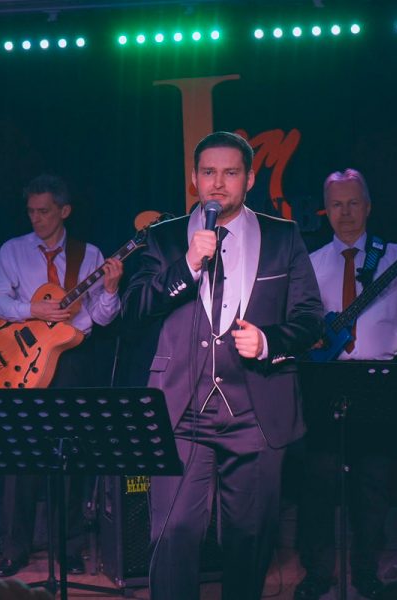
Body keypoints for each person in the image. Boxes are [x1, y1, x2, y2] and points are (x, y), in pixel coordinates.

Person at [121, 131, 324, 600]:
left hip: (256, 410)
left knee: (249, 540)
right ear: (194, 179)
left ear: (249, 179)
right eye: (208, 172)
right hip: (180, 411)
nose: (218, 182)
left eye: (230, 172)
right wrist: (188, 265)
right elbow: (133, 310)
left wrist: (269, 341)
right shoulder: (164, 237)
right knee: (173, 534)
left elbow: (310, 317)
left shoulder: (283, 235)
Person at [294, 169, 397, 600]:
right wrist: (308, 337)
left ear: (368, 207)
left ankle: (366, 570)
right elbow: (296, 322)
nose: (345, 213)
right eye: (336, 205)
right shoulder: (311, 264)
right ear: (325, 210)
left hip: (379, 383)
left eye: (353, 203)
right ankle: (317, 573)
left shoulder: (396, 257)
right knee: (318, 482)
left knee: (373, 484)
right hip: (324, 381)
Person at [0, 173, 123, 577]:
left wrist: (111, 290)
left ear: (64, 211)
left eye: (44, 211)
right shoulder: (12, 250)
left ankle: (69, 548)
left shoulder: (89, 254)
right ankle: (14, 549)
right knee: (21, 456)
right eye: (31, 211)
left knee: (71, 455)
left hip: (71, 361)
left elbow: (101, 319)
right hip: (25, 360)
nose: (36, 218)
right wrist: (32, 309)